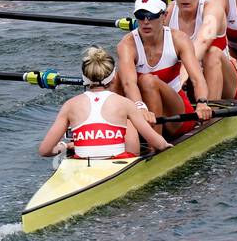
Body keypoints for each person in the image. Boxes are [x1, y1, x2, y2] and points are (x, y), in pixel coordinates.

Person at [37, 46, 171, 159]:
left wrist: (65, 146)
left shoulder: (70, 105)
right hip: (118, 164)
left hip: (82, 165)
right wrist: (167, 147)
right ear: (113, 77)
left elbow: (45, 151)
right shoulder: (125, 103)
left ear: (84, 77)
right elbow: (159, 144)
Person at [114, 0, 214, 139]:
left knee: (148, 80)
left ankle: (154, 147)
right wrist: (140, 107)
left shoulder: (178, 39)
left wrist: (202, 102)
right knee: (115, 78)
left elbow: (197, 78)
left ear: (164, 16)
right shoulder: (127, 44)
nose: (146, 22)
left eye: (152, 16)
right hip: (142, 110)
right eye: (140, 16)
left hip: (176, 114)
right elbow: (129, 84)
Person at [164, 0, 237, 101]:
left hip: (226, 86)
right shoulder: (168, 12)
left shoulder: (212, 9)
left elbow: (203, 41)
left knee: (212, 53)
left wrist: (183, 73)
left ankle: (211, 114)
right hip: (189, 83)